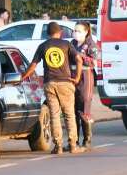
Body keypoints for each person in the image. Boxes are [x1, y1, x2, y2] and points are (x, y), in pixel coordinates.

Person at [21, 22, 85, 154]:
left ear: (47, 33)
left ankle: (58, 146)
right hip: (66, 83)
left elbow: (33, 65)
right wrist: (77, 77)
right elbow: (79, 59)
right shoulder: (67, 45)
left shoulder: (43, 46)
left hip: (50, 83)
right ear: (60, 32)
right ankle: (73, 145)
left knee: (54, 115)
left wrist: (23, 77)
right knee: (69, 114)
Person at [70, 21, 98, 149]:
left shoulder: (90, 44)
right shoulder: (72, 44)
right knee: (73, 110)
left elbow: (94, 62)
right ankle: (73, 141)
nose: (75, 33)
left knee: (84, 108)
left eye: (78, 31)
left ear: (86, 32)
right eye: (74, 31)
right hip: (72, 77)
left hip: (85, 77)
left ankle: (87, 139)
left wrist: (81, 56)